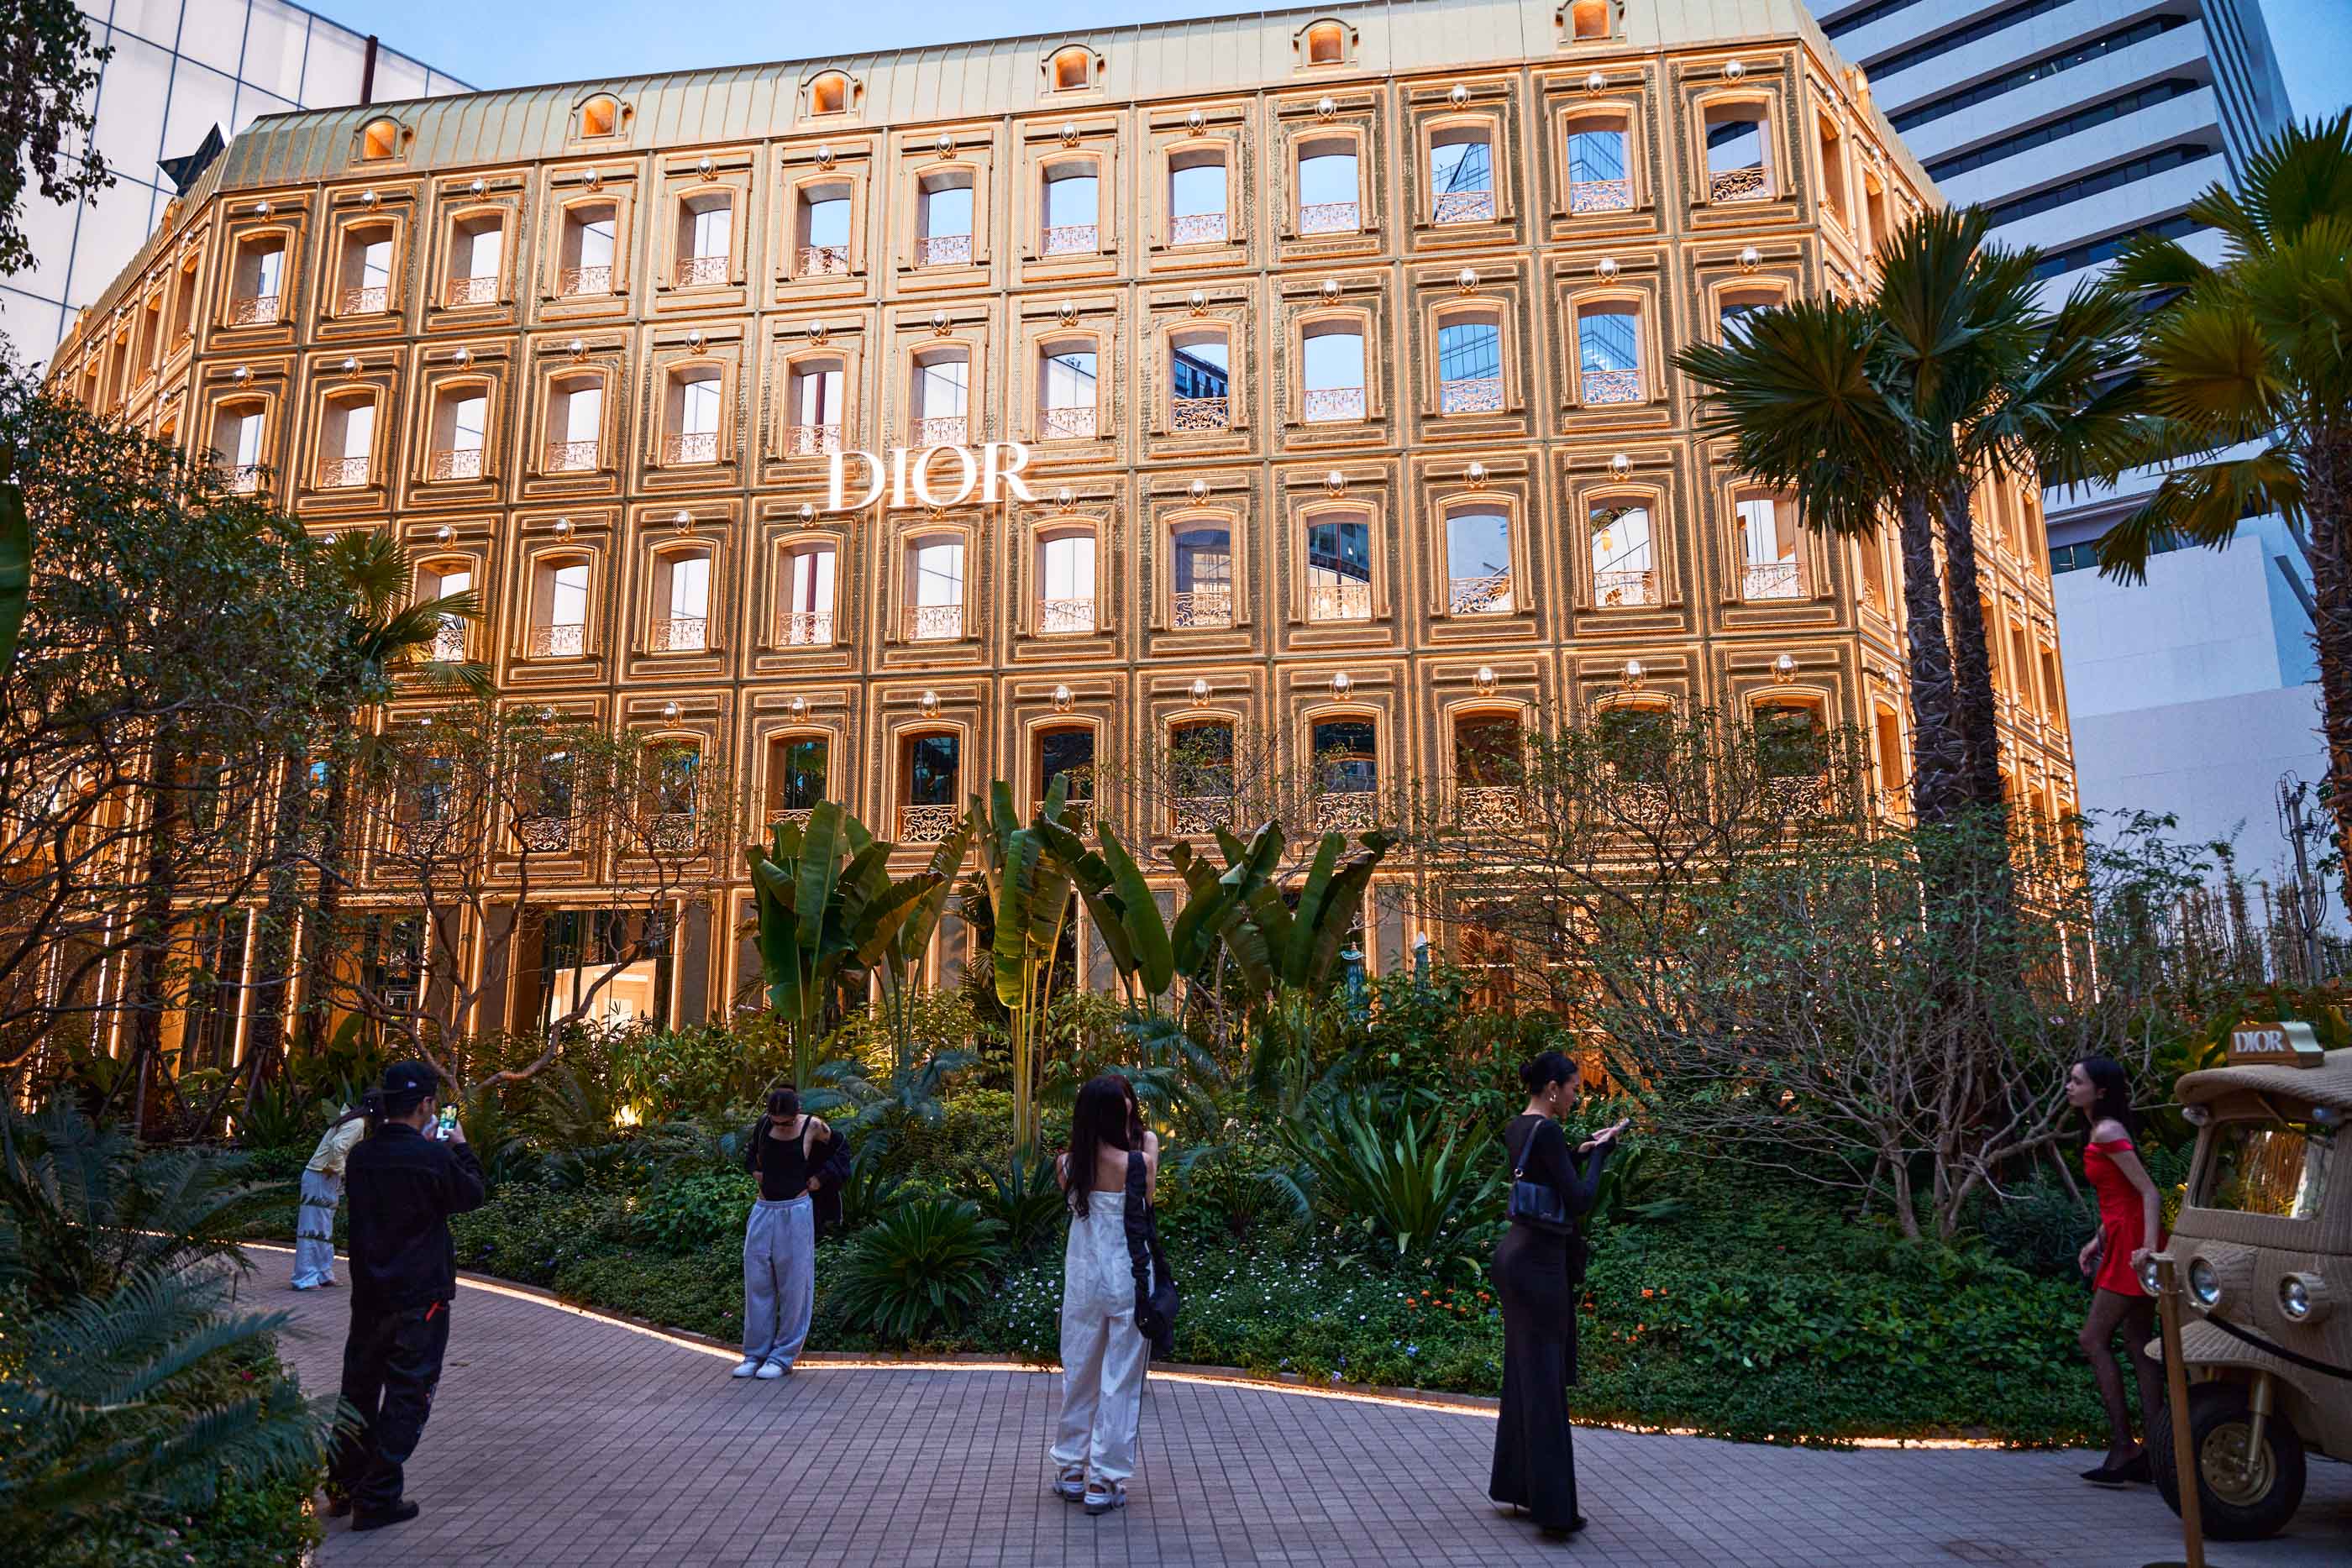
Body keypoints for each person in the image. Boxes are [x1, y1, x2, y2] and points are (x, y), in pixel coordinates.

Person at [330, 1061, 485, 1533]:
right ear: (426, 1105)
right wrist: (459, 1147)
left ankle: (342, 1484)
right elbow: (472, 1195)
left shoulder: (362, 1157)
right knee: (407, 1394)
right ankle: (376, 1497)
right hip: (420, 1297)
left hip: (370, 1293)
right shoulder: (433, 1157)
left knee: (358, 1388)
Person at [1490, 1051, 1625, 1540]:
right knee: (1544, 1381)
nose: (1575, 1095)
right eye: (1572, 1087)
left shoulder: (1518, 1127)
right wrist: (1605, 1155)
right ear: (1552, 1087)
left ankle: (1519, 1486)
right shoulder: (1547, 1130)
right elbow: (1580, 1199)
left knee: (1524, 1374)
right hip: (1539, 1266)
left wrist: (1583, 1152)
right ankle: (1555, 1511)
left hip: (1514, 1258)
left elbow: (1549, 1173)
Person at [1050, 1073, 1157, 1517]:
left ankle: (1071, 1469)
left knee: (1080, 1372)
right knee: (1121, 1380)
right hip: (1129, 1276)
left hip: (1084, 1279)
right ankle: (1105, 1479)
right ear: (1122, 1113)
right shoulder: (1137, 1162)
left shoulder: (1067, 1165)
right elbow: (1148, 1199)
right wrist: (1147, 1138)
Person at [2066, 1055, 2165, 1485]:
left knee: (2093, 1339)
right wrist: (2099, 1239)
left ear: (2100, 1091)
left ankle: (2125, 1448)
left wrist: (2145, 1249)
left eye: (2076, 1081)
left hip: (2134, 1247)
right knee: (2140, 1342)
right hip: (2122, 1239)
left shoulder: (2107, 1131)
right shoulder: (2100, 1130)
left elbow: (2149, 1192)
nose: (2069, 1087)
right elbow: (2118, 1197)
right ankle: (2158, 1452)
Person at [734, 1087, 843, 1379]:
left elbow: (842, 1151)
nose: (780, 1127)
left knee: (794, 1284)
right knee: (757, 1279)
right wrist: (755, 1172)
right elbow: (750, 1155)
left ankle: (782, 1356)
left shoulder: (814, 1126)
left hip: (796, 1210)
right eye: (776, 1121)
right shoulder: (763, 1125)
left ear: (797, 1113)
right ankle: (755, 1354)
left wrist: (821, 1179)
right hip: (763, 1209)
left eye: (786, 1122)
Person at [291, 1104, 364, 1290]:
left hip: (324, 1176)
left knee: (323, 1227)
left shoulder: (352, 1120)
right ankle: (306, 1277)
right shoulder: (357, 1123)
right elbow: (337, 1148)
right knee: (313, 1228)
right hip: (321, 1176)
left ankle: (322, 1273)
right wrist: (344, 1172)